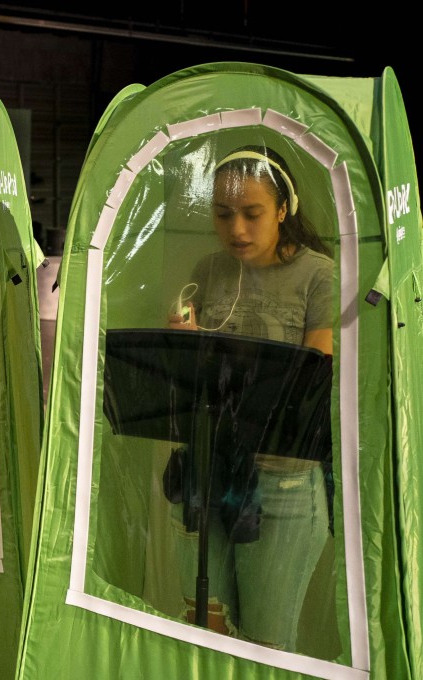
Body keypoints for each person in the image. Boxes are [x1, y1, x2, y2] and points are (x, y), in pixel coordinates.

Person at [164, 145, 334, 650]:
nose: (236, 229)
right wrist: (180, 344)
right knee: (205, 629)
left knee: (264, 647)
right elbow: (186, 377)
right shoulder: (209, 270)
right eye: (222, 214)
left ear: (284, 210)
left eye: (252, 213)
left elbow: (313, 379)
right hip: (207, 469)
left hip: (282, 480)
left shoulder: (319, 276)